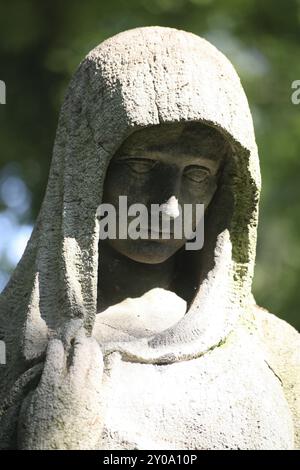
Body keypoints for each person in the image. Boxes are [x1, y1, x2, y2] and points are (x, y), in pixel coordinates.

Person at [0, 26, 299, 450]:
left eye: (197, 174)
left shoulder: (280, 355)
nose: (169, 206)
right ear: (88, 168)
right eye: (141, 165)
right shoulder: (10, 348)